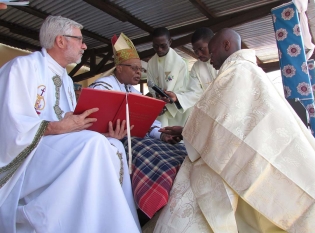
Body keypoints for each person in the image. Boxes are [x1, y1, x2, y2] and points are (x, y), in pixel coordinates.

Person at [146, 28, 315, 232]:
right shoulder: (237, 68)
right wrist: (186, 127)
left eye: (212, 51)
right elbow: (215, 115)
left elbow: (217, 116)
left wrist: (188, 131)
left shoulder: (236, 71)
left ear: (226, 45)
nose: (209, 58)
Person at [0, 16, 141, 232]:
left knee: (115, 147)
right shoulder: (22, 68)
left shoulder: (66, 79)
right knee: (92, 145)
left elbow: (74, 125)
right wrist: (56, 127)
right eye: (79, 39)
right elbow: (9, 124)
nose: (84, 45)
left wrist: (107, 133)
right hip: (26, 156)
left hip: (55, 150)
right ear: (61, 41)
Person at [89, 33, 187, 221]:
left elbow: (147, 122)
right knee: (155, 157)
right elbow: (96, 125)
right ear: (118, 68)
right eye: (133, 68)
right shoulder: (102, 88)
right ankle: (148, 211)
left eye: (140, 69)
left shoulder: (133, 91)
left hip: (136, 137)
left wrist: (162, 135)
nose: (138, 72)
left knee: (178, 149)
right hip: (114, 141)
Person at [147, 27, 193, 127]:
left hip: (177, 110)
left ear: (170, 42)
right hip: (160, 109)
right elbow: (150, 86)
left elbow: (183, 88)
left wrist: (169, 102)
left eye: (163, 46)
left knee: (178, 138)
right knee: (161, 136)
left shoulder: (180, 62)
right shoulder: (151, 63)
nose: (159, 49)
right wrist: (157, 97)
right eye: (156, 46)